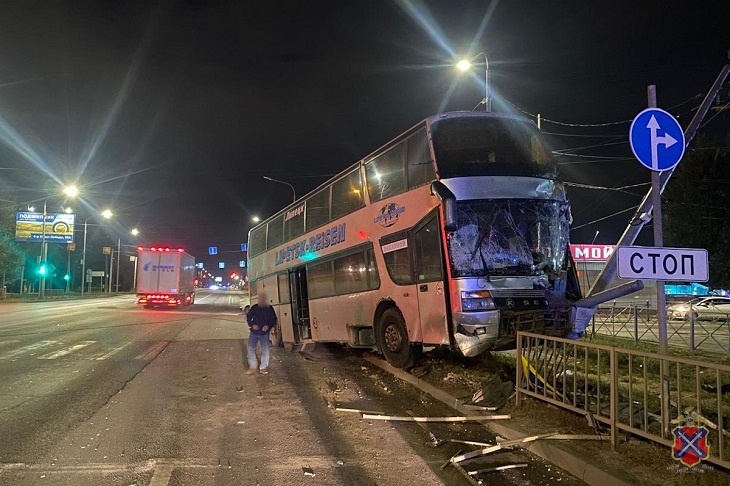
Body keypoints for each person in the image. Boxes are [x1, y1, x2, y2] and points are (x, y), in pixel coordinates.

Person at [245, 292, 277, 375]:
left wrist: (268, 326)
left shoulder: (269, 309)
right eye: (260, 299)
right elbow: (249, 318)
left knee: (265, 350)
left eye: (262, 299)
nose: (261, 300)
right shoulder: (254, 308)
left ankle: (263, 367)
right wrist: (252, 325)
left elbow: (273, 319)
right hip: (254, 332)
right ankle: (253, 367)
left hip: (264, 333)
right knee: (251, 348)